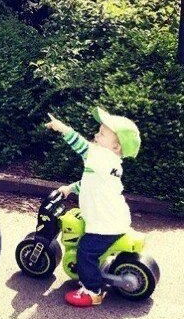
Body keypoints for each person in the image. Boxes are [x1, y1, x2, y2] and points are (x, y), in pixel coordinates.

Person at [45, 107, 141, 307]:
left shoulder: (102, 157)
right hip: (113, 220)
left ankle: (92, 291)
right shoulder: (109, 163)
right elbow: (91, 183)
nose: (96, 135)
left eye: (102, 134)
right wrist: (70, 189)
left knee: (86, 251)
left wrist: (62, 128)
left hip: (106, 225)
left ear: (116, 146)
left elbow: (82, 146)